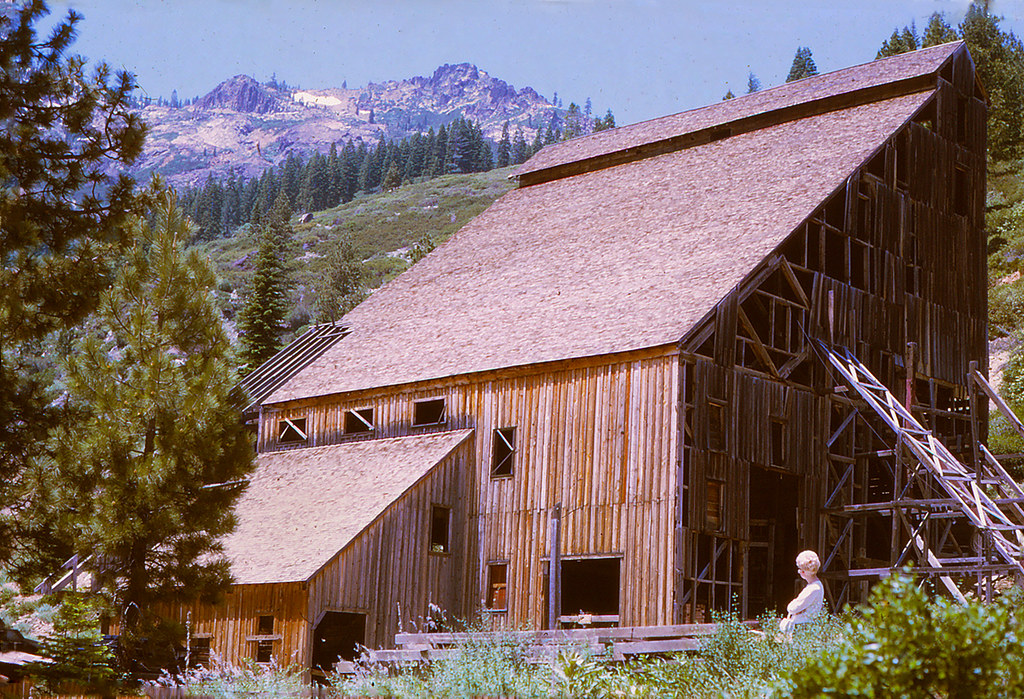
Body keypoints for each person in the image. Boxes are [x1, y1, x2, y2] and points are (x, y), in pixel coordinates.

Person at [779, 550, 824, 635]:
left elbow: (793, 608)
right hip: (805, 625)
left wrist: (794, 608)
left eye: (800, 569)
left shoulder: (813, 588)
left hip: (803, 627)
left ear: (804, 572)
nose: (799, 572)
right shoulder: (814, 586)